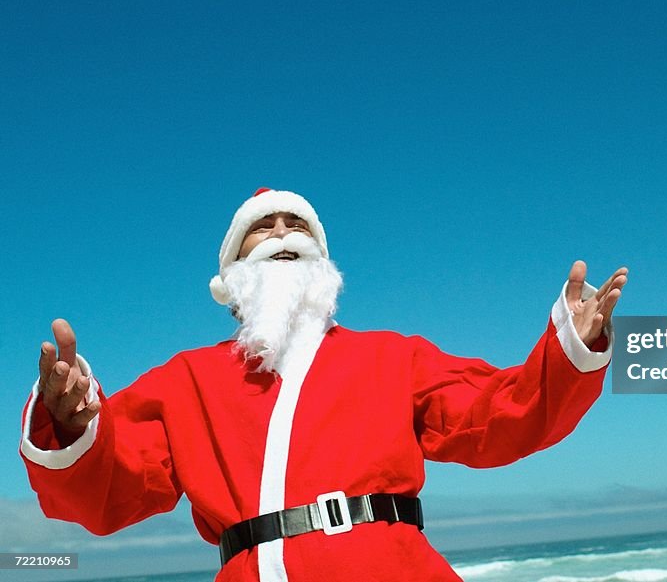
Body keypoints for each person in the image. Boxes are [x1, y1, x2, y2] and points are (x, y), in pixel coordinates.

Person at [20, 188, 628, 582]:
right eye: (263, 228)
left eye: (297, 225)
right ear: (230, 276)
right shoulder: (186, 381)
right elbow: (107, 490)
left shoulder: (393, 356)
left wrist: (569, 353)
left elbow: (501, 414)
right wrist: (70, 423)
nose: (284, 232)